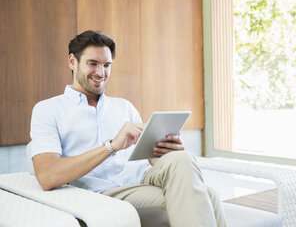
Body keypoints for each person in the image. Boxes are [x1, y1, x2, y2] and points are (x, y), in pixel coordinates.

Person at [30, 30, 227, 227]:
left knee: (181, 158)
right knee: (208, 196)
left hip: (142, 179)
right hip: (101, 192)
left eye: (107, 65)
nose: (101, 72)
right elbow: (47, 176)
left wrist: (165, 151)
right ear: (72, 62)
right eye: (93, 64)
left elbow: (150, 161)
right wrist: (112, 146)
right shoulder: (48, 110)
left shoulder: (124, 106)